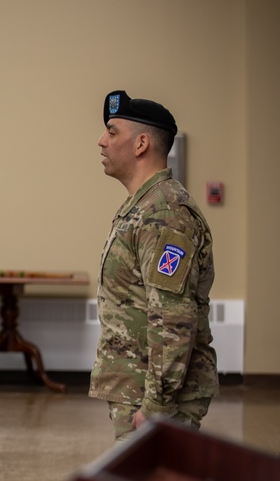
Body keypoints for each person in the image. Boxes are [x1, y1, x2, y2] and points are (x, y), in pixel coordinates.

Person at [91, 90, 218, 442]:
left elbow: (173, 319)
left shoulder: (165, 213)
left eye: (112, 132)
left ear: (141, 143)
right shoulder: (142, 206)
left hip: (156, 398)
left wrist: (156, 408)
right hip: (138, 386)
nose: (101, 141)